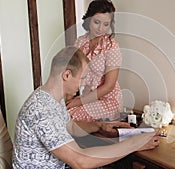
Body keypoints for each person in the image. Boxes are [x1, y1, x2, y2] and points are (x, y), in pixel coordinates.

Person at [12, 47, 159, 169]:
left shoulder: (51, 98)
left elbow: (69, 126)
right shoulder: (40, 110)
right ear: (67, 75)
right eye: (82, 78)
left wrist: (99, 126)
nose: (83, 84)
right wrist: (134, 143)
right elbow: (80, 161)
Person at [66, 0, 123, 122]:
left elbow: (108, 86)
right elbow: (73, 73)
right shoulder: (80, 42)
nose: (100, 28)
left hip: (108, 100)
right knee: (61, 112)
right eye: (96, 22)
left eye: (106, 24)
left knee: (70, 117)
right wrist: (68, 99)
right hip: (87, 97)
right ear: (88, 19)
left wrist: (77, 101)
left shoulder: (111, 46)